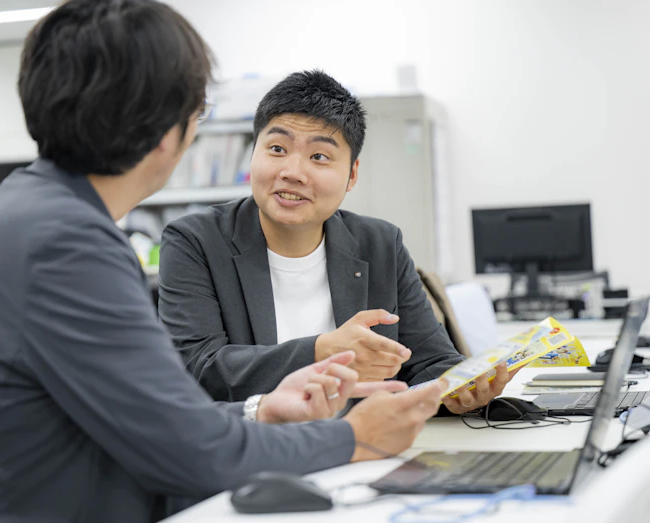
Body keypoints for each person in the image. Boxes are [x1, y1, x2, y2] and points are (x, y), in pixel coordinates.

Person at [0, 2, 447, 522]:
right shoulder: (66, 242)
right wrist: (355, 436)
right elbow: (191, 450)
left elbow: (151, 415)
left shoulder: (29, 209)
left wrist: (260, 410)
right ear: (168, 129)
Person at [159, 70, 517, 414]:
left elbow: (431, 361)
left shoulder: (380, 244)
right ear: (254, 153)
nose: (293, 172)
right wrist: (321, 351)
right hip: (254, 443)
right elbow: (198, 369)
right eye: (277, 149)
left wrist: (463, 387)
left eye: (319, 156)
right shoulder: (195, 242)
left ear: (351, 175)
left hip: (364, 442)